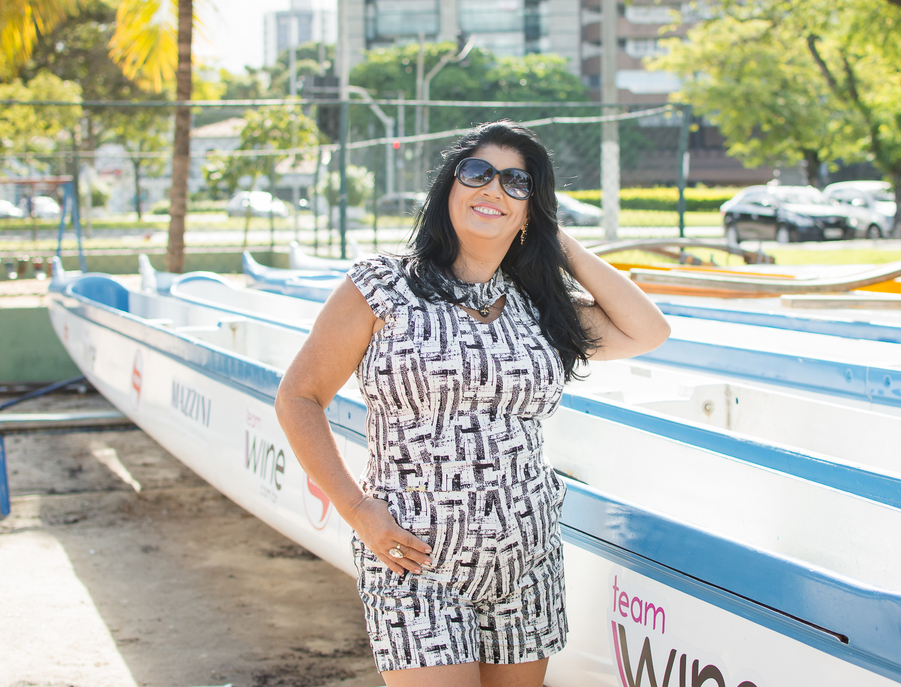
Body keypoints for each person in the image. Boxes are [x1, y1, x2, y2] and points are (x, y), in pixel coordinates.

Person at [274, 120, 670, 686]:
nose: (493, 189)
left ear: (533, 208)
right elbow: (298, 396)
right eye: (477, 173)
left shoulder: (538, 307)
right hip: (414, 559)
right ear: (449, 189)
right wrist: (358, 509)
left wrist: (556, 240)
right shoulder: (383, 285)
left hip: (526, 560)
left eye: (516, 183)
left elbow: (648, 331)